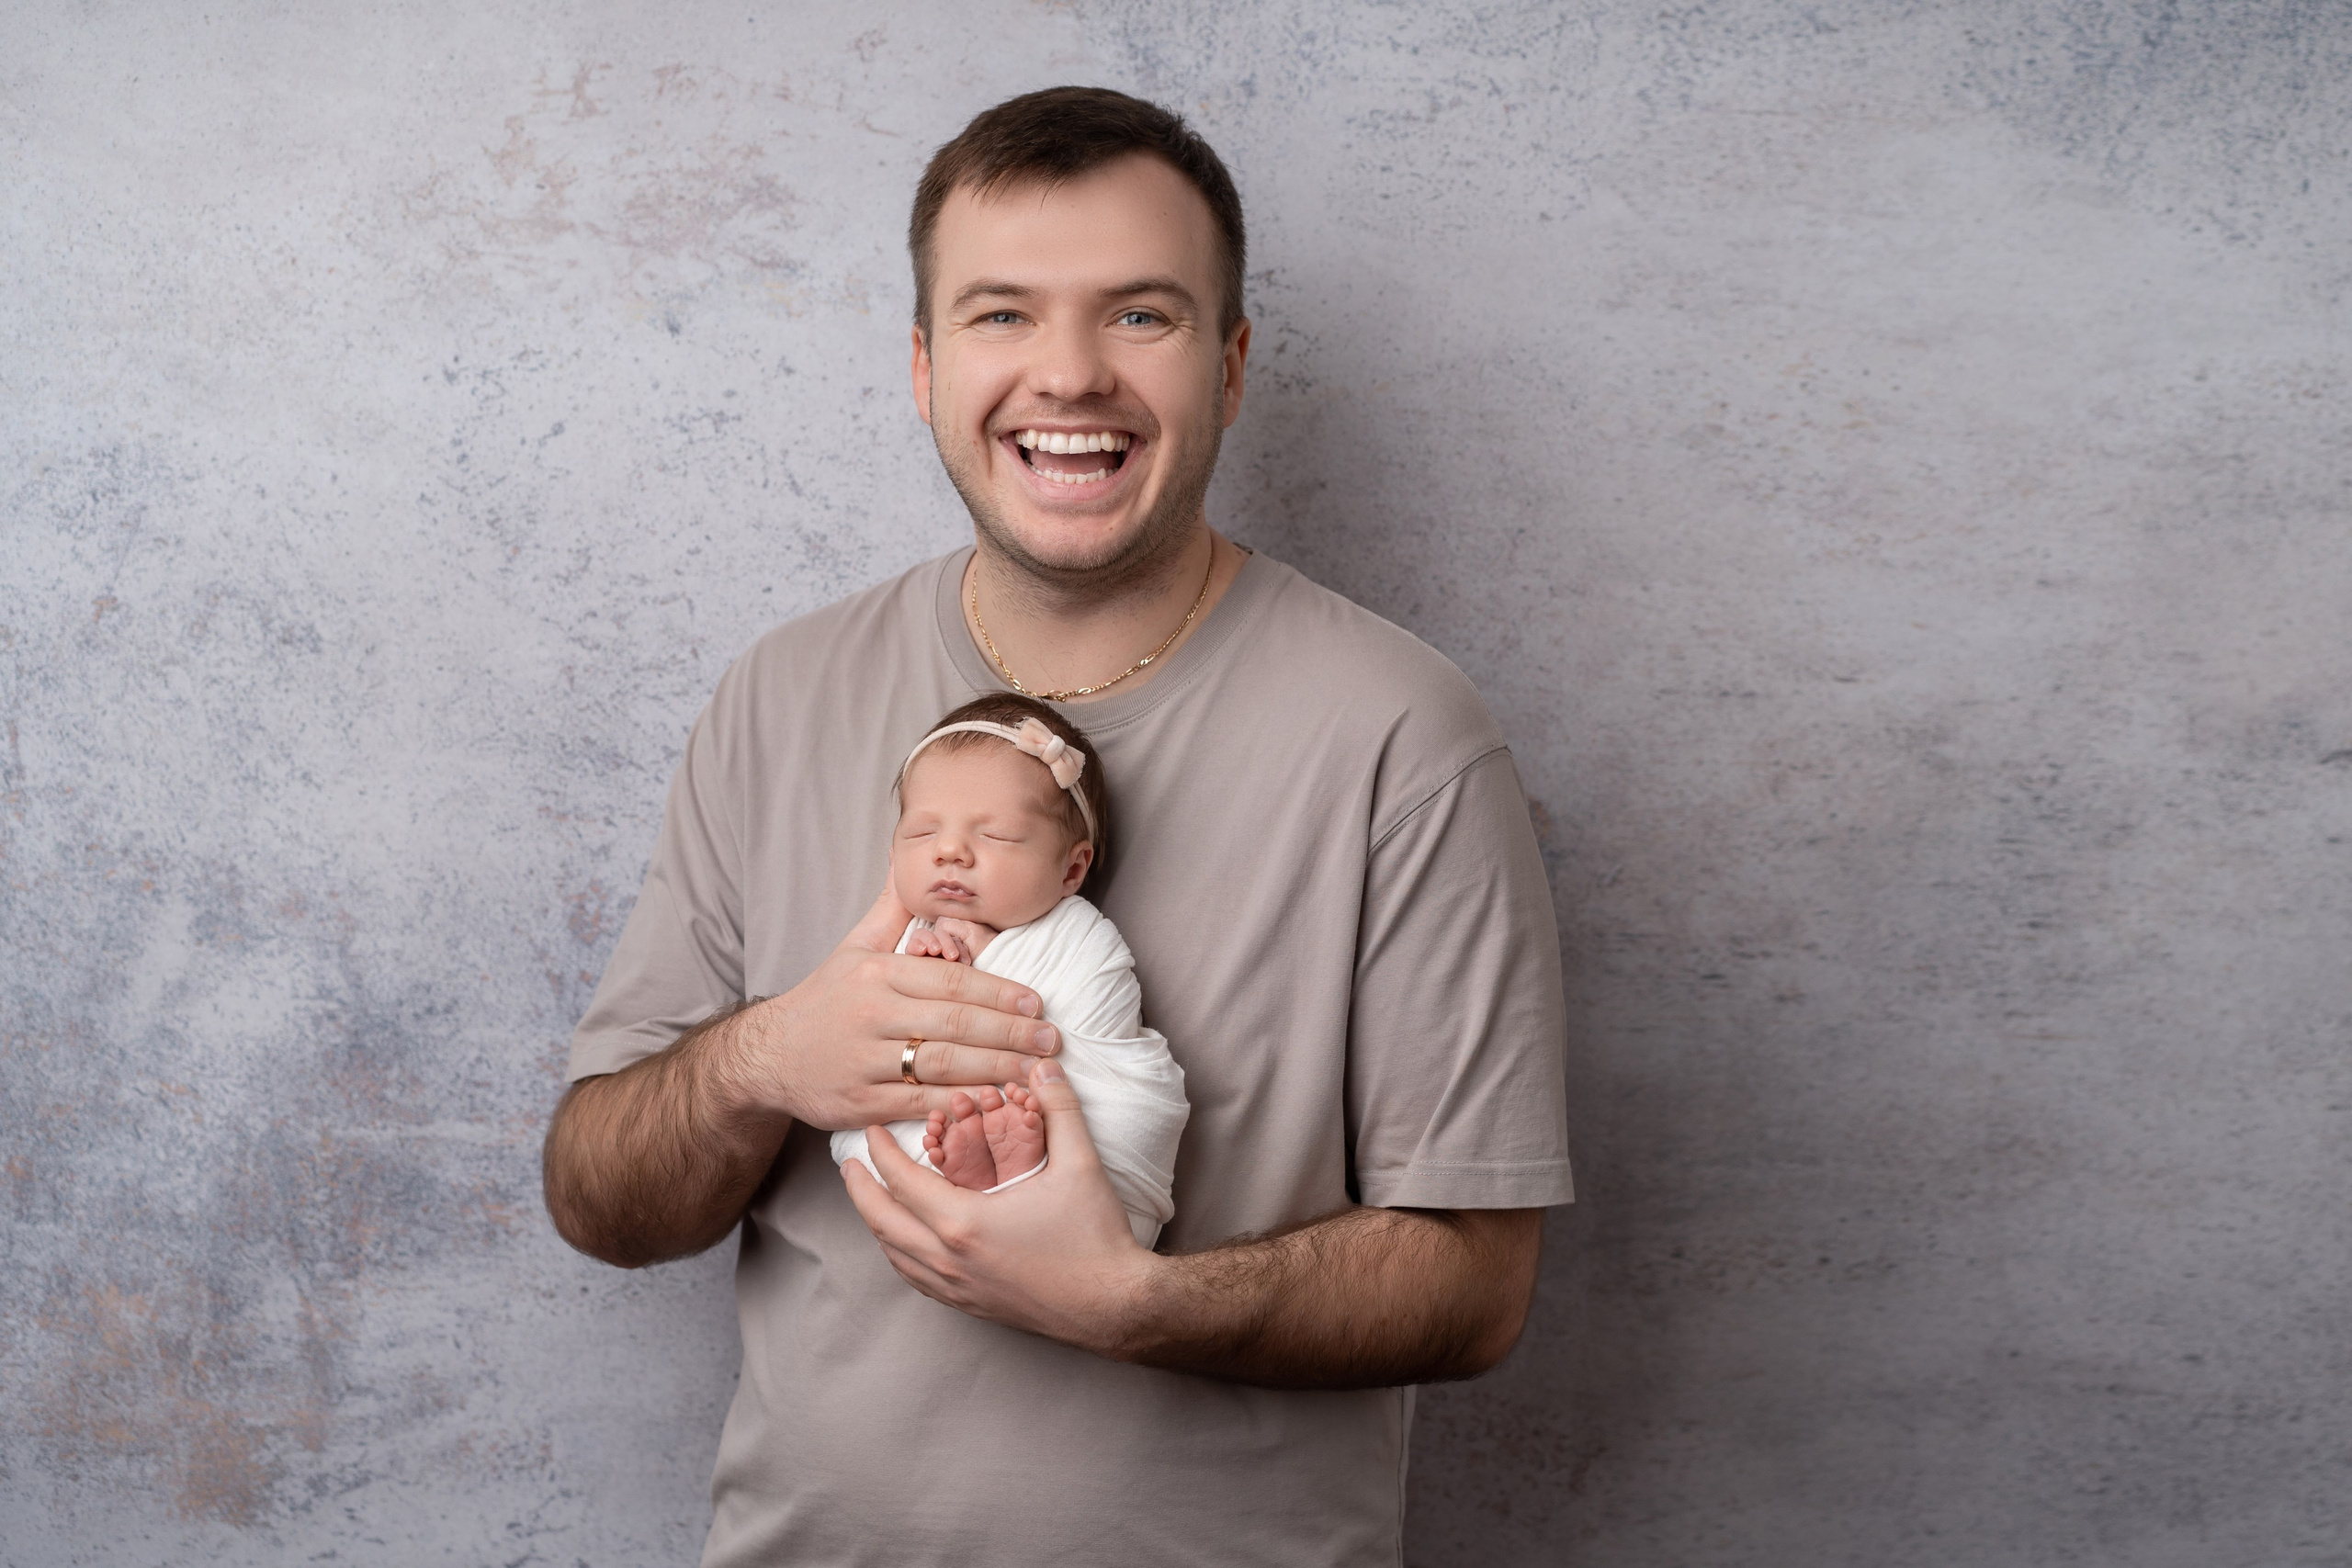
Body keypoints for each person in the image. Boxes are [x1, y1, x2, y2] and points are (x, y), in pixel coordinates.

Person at [541, 85, 1573, 1567]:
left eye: (1141, 315)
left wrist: (1128, 1301)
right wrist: (767, 1057)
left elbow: (1478, 1286)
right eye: (1003, 314)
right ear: (924, 364)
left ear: (1230, 364)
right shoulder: (781, 692)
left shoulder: (1403, 734)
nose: (1071, 374)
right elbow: (601, 1197)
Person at [830, 692, 1190, 1249]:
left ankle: (1025, 1165)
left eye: (994, 835)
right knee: (900, 1120)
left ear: (1071, 869)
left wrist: (982, 968)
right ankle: (991, 1166)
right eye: (922, 833)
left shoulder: (1080, 938)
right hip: (930, 1142)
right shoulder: (902, 932)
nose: (950, 851)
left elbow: (1094, 1024)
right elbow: (866, 1028)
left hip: (1086, 1152)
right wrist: (917, 966)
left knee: (1035, 1111)